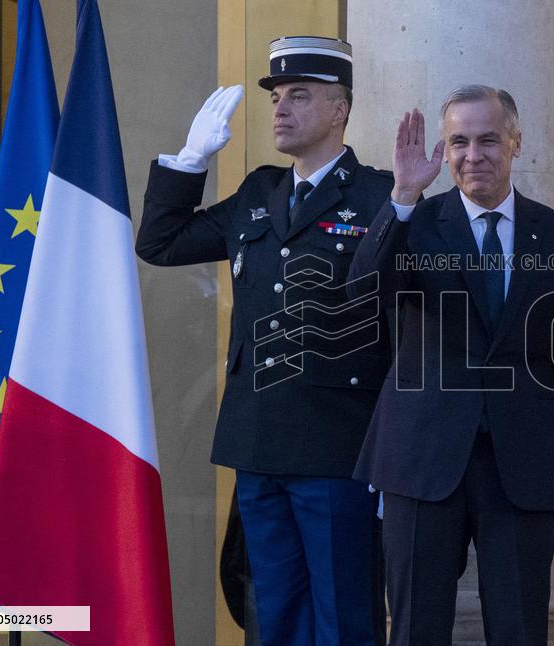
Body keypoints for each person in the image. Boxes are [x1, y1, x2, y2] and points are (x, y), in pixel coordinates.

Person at [136, 36, 394, 646]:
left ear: (340, 108)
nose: (279, 108)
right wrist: (189, 162)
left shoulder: (380, 195)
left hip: (339, 443)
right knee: (272, 612)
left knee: (343, 614)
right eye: (277, 96)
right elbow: (161, 244)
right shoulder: (260, 192)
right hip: (258, 438)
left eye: (299, 95)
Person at [348, 85, 554, 646]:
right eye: (458, 142)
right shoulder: (414, 221)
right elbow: (364, 291)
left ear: (516, 142)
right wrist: (404, 194)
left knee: (520, 629)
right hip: (422, 458)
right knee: (417, 628)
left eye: (488, 140)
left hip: (523, 461)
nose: (473, 155)